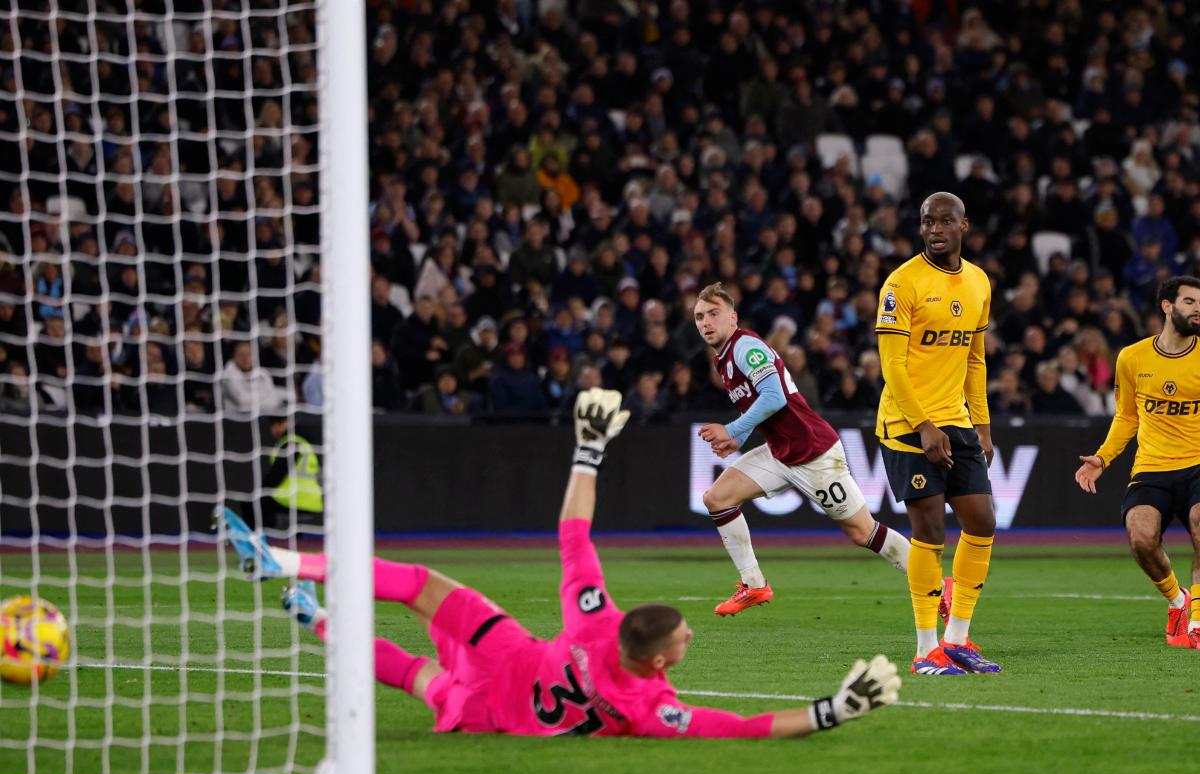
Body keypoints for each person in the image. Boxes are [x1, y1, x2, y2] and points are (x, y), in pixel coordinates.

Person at [216, 389, 901, 737]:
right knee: (415, 677)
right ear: (660, 662)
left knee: (419, 587)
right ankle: (313, 620)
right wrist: (833, 710)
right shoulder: (650, 709)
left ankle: (286, 563)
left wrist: (589, 450)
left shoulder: (594, 622)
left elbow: (574, 535)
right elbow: (747, 728)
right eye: (684, 637)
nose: (689, 636)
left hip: (507, 650)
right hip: (487, 711)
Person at [694, 282, 911, 617]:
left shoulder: (745, 348)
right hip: (781, 451)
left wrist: (733, 429)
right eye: (699, 317)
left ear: (733, 318)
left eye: (713, 313)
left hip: (814, 453)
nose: (706, 322)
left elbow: (775, 397)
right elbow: (761, 402)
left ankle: (936, 585)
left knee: (862, 531)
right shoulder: (724, 357)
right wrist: (740, 437)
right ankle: (753, 584)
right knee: (716, 498)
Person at [874, 192, 1001, 676]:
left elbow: (974, 357)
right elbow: (893, 366)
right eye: (928, 221)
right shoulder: (901, 284)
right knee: (929, 530)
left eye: (945, 221)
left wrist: (982, 424)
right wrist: (924, 424)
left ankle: (958, 639)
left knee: (982, 522)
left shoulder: (978, 282)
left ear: (964, 225)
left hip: (957, 421)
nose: (935, 229)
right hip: (906, 425)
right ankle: (925, 647)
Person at [1075, 276, 1200, 650]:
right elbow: (1127, 417)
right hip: (1152, 467)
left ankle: (1198, 622)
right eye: (1191, 302)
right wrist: (1101, 458)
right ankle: (1179, 602)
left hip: (1197, 463)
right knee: (1141, 539)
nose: (1198, 309)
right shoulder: (1132, 357)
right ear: (1167, 305)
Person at [259, 416, 323, 533]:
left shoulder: (292, 443)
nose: (272, 430)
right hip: (313, 502)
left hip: (293, 500)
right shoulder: (305, 440)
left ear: (283, 423)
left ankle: (263, 541)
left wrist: (261, 491)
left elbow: (275, 476)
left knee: (257, 503)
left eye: (274, 425)